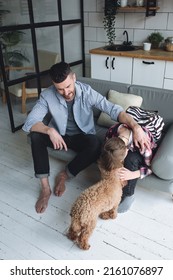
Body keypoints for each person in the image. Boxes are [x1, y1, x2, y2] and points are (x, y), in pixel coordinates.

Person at [22, 61, 150, 214]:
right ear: (53, 85)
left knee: (95, 144)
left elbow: (113, 110)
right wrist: (49, 130)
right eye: (60, 89)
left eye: (68, 86)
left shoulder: (87, 92)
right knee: (36, 136)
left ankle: (65, 175)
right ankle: (45, 189)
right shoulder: (47, 95)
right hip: (58, 136)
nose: (65, 92)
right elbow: (30, 122)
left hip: (81, 137)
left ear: (74, 78)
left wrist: (136, 127)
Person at [105, 122, 159, 213]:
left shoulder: (145, 147)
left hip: (141, 147)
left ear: (127, 149)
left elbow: (152, 168)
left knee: (131, 159)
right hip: (128, 140)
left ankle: (128, 194)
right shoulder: (112, 130)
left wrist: (133, 174)